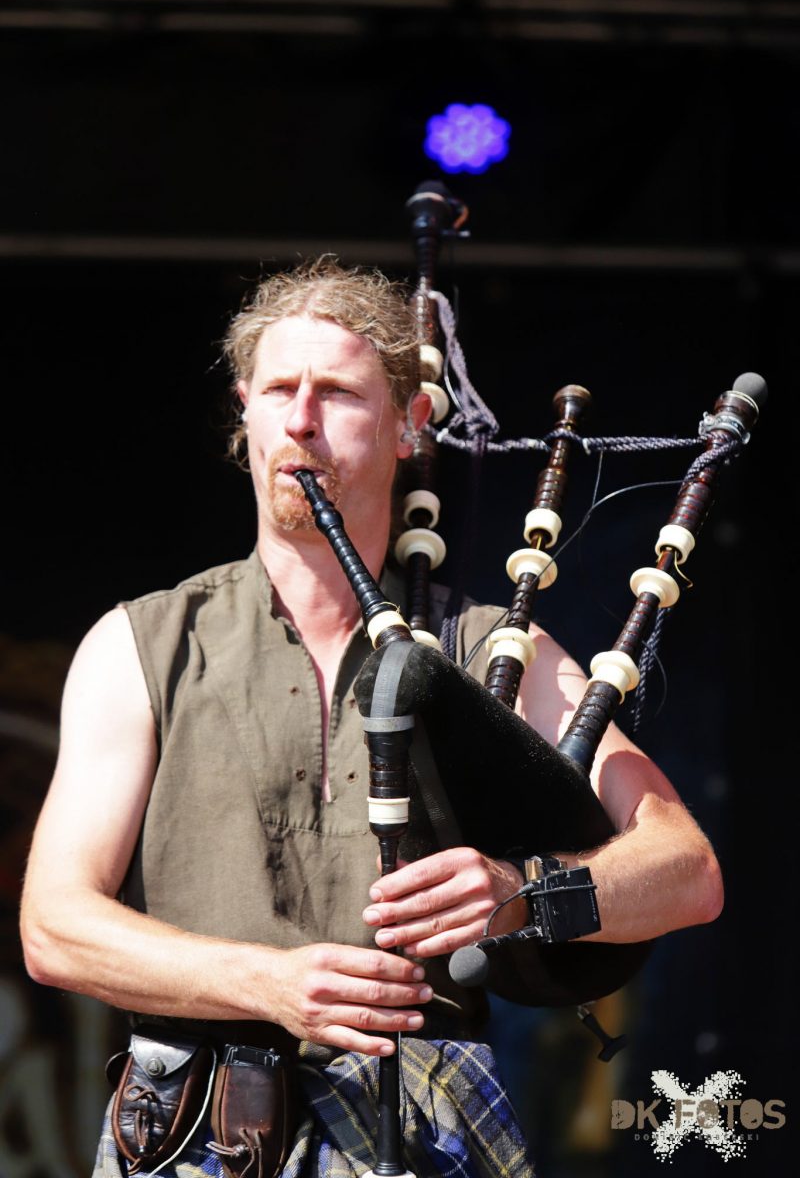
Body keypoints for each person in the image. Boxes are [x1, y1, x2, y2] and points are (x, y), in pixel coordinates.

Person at [20, 258, 723, 1177]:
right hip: (194, 1127)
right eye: (279, 389)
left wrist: (523, 890)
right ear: (245, 411)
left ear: (410, 423)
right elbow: (55, 926)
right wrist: (268, 983)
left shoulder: (489, 648)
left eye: (340, 393)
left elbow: (687, 871)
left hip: (421, 1126)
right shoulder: (142, 644)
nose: (301, 420)